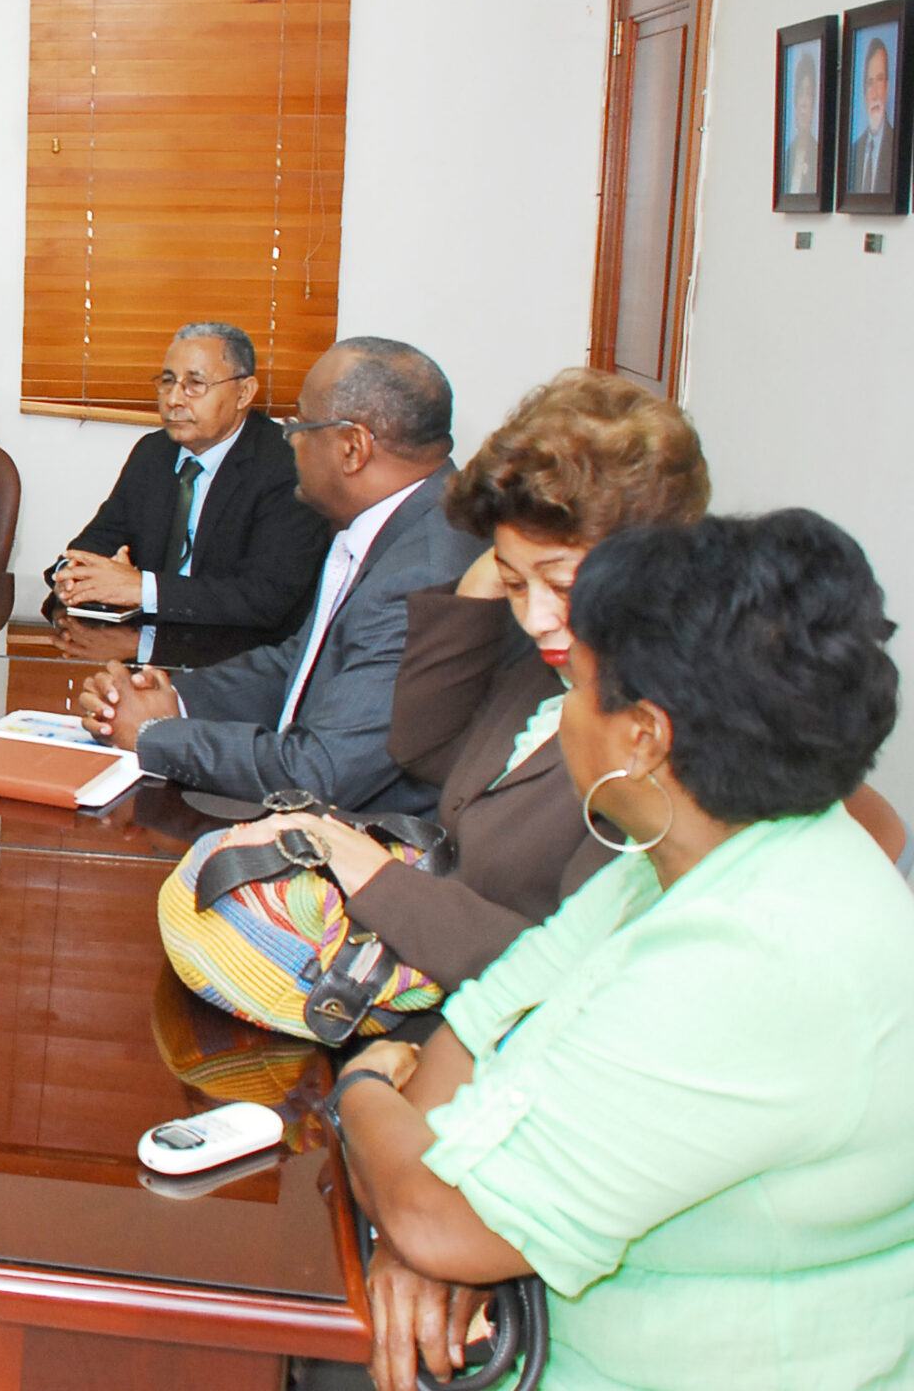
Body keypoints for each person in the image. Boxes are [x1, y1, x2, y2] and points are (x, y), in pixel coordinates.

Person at [326, 509, 913, 1391]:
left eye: (577, 686)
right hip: (526, 1330)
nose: (562, 711)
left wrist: (363, 1088)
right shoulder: (682, 858)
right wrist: (427, 1216)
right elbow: (474, 1035)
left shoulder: (758, 956)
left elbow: (444, 1220)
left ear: (642, 737)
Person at [209, 370, 711, 1003]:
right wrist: (478, 588)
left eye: (560, 584)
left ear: (651, 566)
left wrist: (368, 872)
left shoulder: (658, 736)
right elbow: (426, 752)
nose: (535, 618)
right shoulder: (550, 670)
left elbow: (572, 978)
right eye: (515, 582)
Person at [77, 337, 481, 814]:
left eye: (300, 426)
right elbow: (300, 664)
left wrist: (155, 734)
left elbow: (320, 773)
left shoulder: (422, 575)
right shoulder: (404, 526)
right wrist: (172, 698)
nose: (289, 441)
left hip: (363, 829)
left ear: (352, 448)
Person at [52, 322, 329, 638]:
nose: (173, 399)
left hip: (241, 652)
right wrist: (72, 577)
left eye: (195, 384)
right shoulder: (153, 453)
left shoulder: (288, 464)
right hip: (146, 643)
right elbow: (97, 540)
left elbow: (265, 597)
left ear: (243, 393)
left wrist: (144, 590)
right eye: (168, 381)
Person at [848, 35, 898, 196]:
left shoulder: (897, 147)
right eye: (870, 83)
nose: (875, 93)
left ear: (888, 87)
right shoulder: (853, 151)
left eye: (880, 80)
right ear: (864, 93)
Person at [784, 50, 824, 195]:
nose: (803, 104)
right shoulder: (786, 155)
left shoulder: (818, 154)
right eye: (800, 93)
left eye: (809, 94)